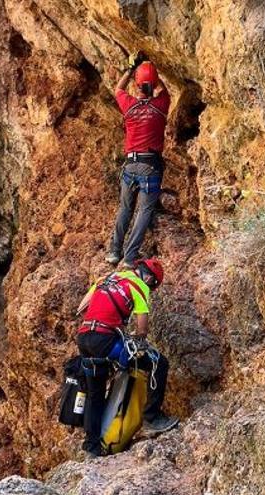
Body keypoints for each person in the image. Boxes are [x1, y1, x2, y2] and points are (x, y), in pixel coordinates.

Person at [75, 258, 179, 458]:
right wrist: (133, 338)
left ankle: (92, 447)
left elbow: (81, 308)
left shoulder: (106, 278)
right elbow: (142, 327)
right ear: (148, 277)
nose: (151, 288)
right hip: (105, 339)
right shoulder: (139, 286)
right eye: (153, 285)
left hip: (84, 338)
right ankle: (152, 417)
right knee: (158, 362)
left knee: (95, 392)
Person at [105, 53, 171, 267]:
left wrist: (130, 70)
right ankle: (130, 257)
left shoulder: (130, 106)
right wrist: (155, 76)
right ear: (153, 85)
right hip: (150, 166)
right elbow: (164, 91)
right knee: (144, 210)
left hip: (130, 165)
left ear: (137, 85)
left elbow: (118, 89)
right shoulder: (160, 106)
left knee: (125, 208)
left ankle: (114, 252)